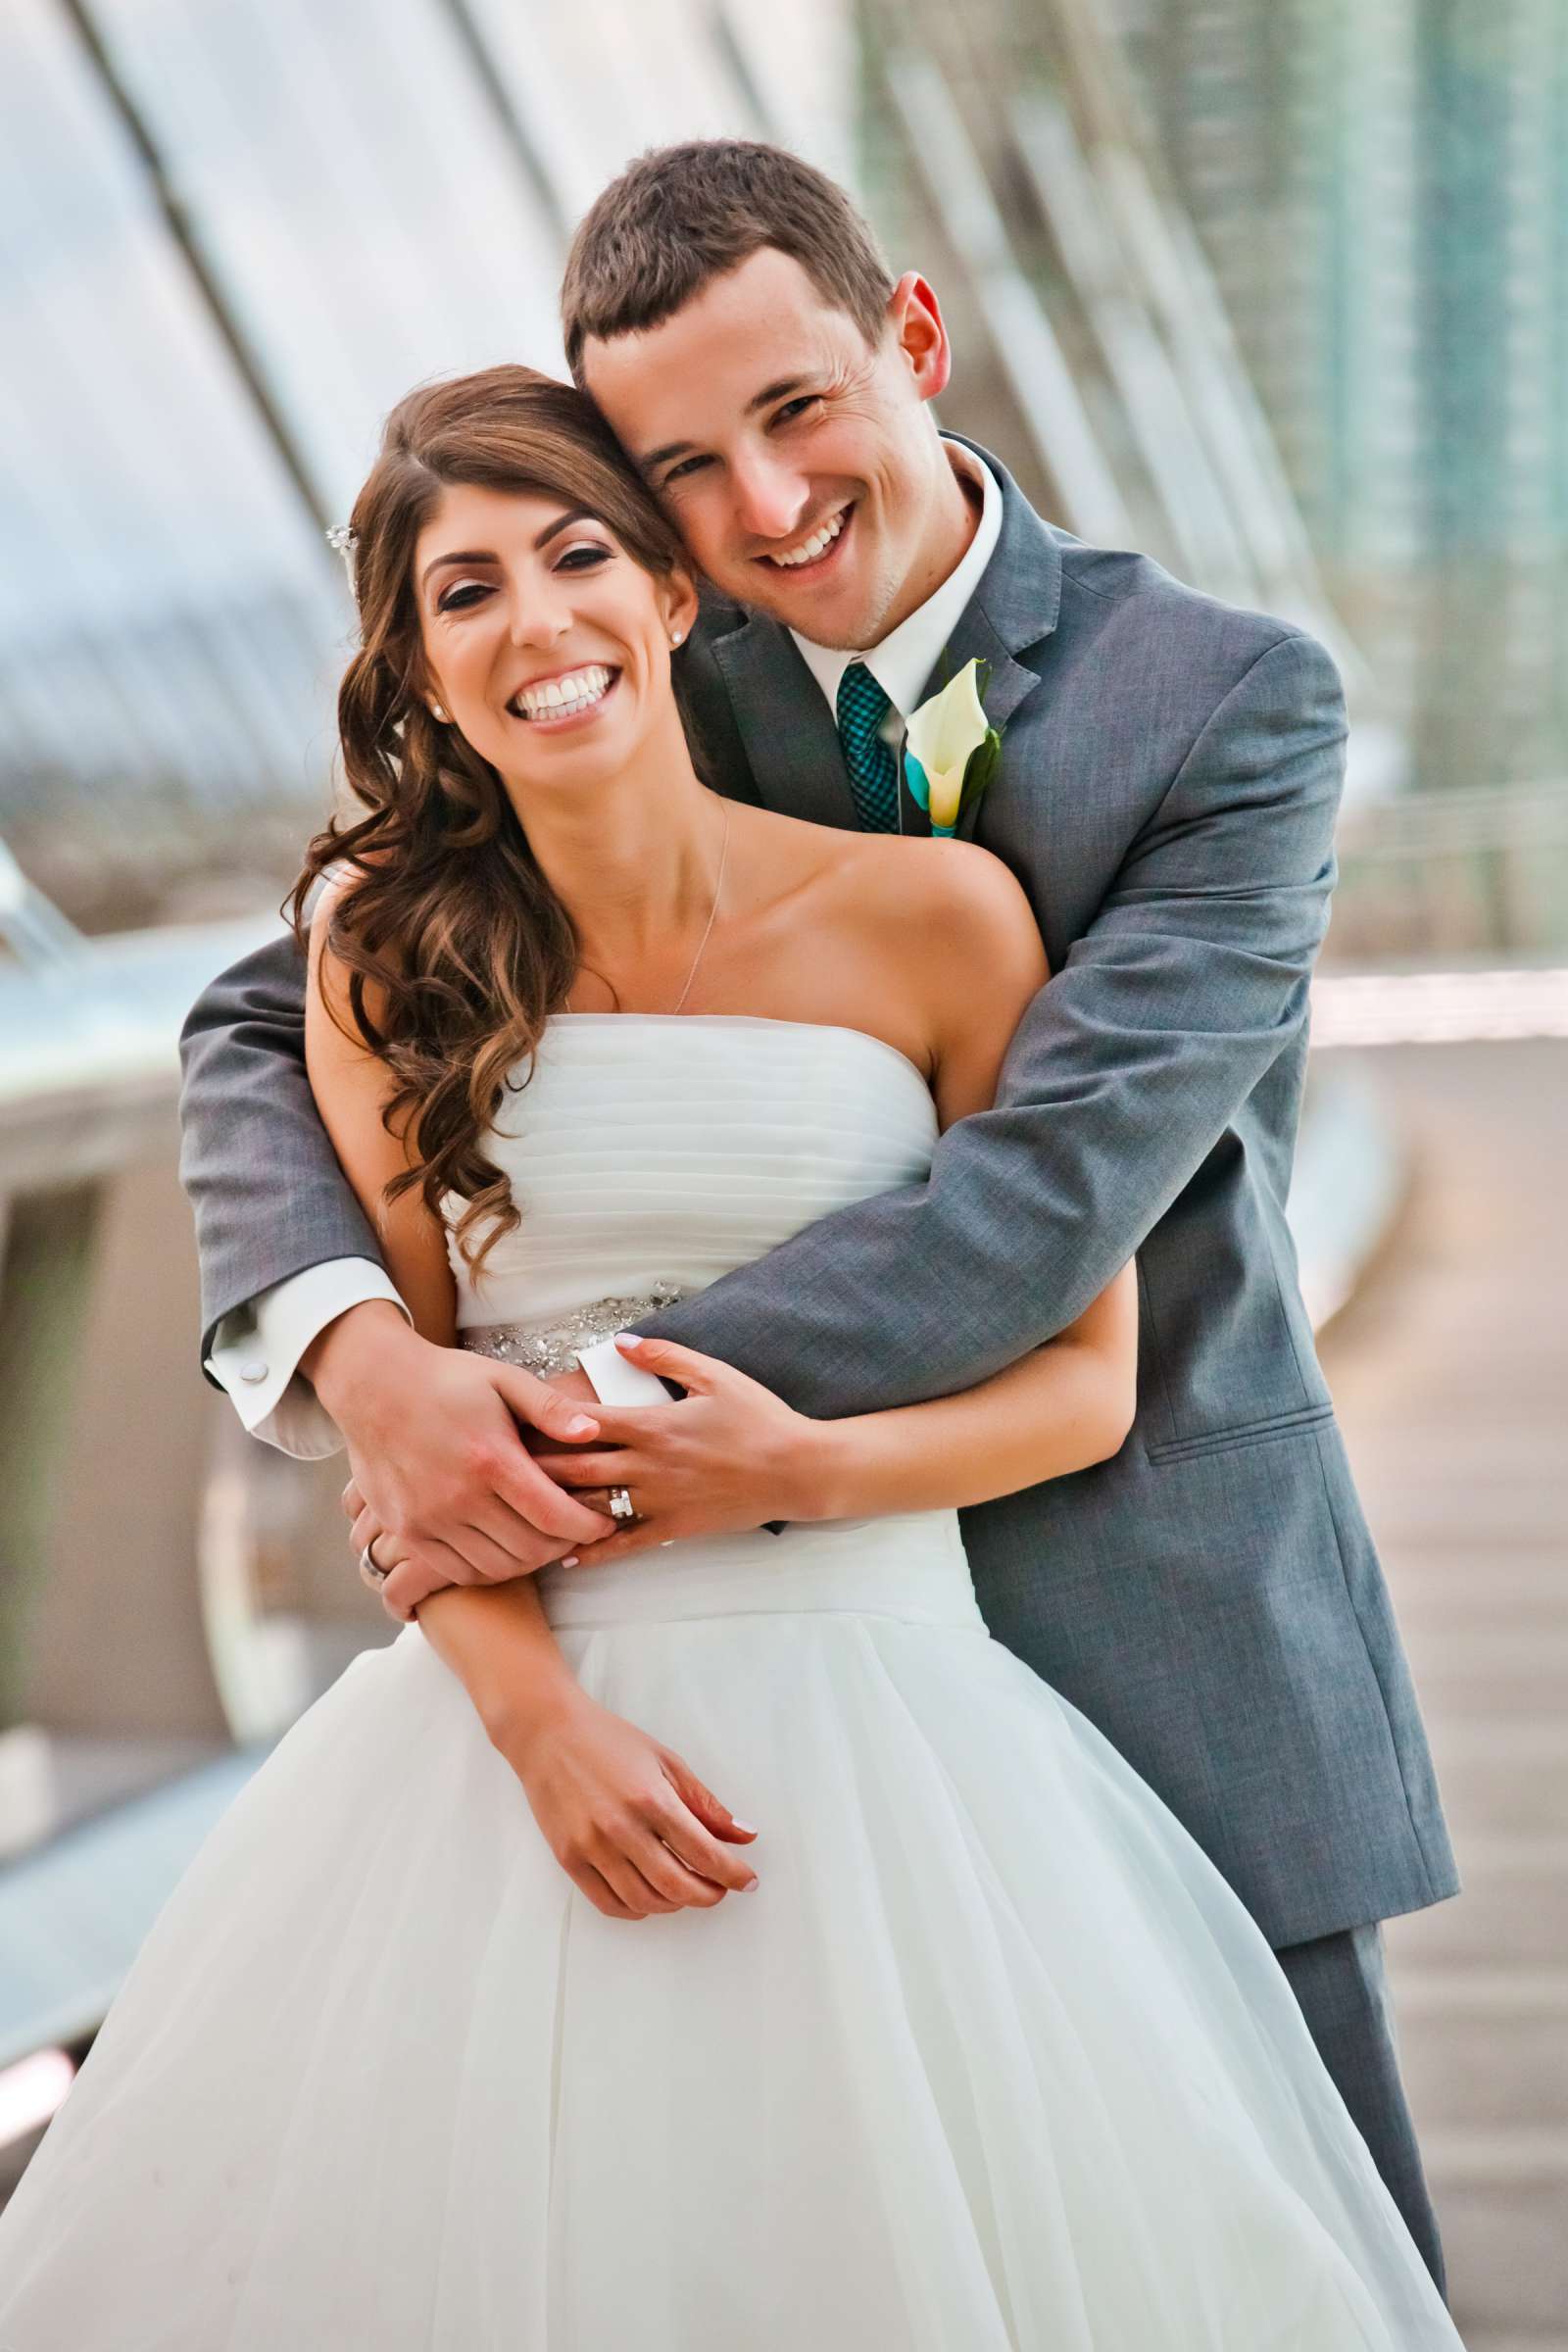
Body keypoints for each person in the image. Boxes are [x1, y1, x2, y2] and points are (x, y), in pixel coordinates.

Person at [0, 364, 1458, 2348]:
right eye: (465, 594)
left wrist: (797, 1475)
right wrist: (540, 1730)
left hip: (909, 1718)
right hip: (520, 1749)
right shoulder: (381, 967)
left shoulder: (945, 916)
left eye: (578, 554)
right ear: (415, 675)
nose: (535, 623)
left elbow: (1085, 1378)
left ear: (677, 599)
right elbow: (414, 1442)